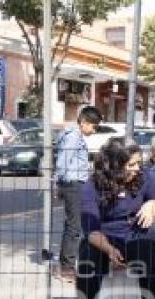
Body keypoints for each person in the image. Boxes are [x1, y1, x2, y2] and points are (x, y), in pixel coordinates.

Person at [76, 144, 155, 299]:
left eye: (138, 163)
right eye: (131, 164)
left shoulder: (143, 178)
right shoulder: (92, 186)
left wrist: (153, 204)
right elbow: (91, 231)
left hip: (137, 231)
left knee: (153, 255)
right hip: (104, 235)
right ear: (114, 166)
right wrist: (109, 250)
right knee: (87, 260)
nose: (137, 168)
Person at [52, 105, 102, 283]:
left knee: (71, 226)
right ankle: (66, 268)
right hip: (72, 184)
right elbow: (63, 160)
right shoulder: (74, 136)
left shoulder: (73, 134)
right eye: (93, 126)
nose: (94, 130)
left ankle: (65, 264)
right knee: (74, 227)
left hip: (72, 183)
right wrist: (58, 183)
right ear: (83, 122)